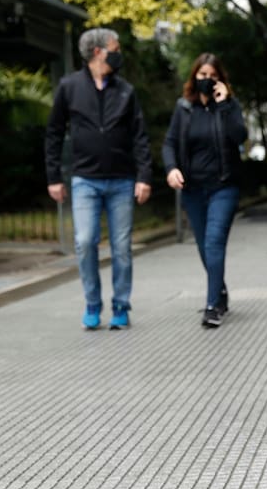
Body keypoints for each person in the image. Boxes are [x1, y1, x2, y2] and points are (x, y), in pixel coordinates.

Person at [45, 27, 152, 331]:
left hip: (121, 180)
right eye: (115, 48)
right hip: (85, 180)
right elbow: (53, 133)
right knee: (84, 241)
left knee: (121, 247)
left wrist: (144, 176)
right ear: (98, 52)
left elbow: (140, 137)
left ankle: (121, 305)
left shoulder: (126, 91)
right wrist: (54, 177)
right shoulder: (69, 87)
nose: (119, 54)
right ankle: (93, 302)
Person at [162, 52, 249, 328]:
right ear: (194, 77)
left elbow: (241, 137)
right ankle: (221, 291)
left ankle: (212, 306)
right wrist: (171, 168)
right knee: (203, 247)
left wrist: (224, 105)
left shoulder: (230, 106)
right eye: (202, 75)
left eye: (213, 76)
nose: (207, 80)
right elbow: (169, 143)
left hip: (224, 186)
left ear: (220, 79)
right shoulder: (184, 108)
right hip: (193, 189)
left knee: (213, 242)